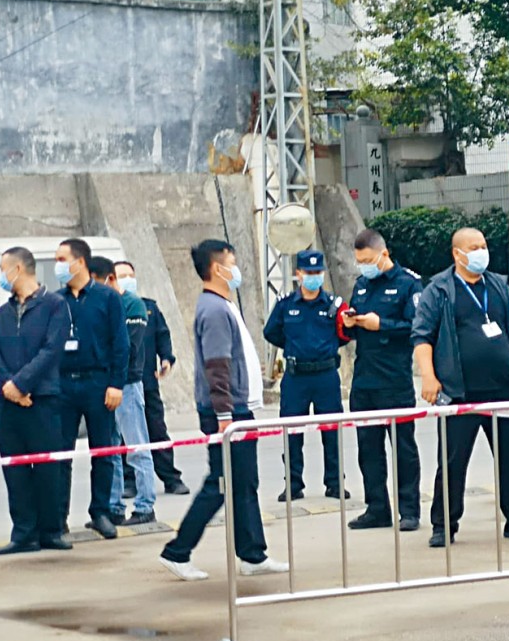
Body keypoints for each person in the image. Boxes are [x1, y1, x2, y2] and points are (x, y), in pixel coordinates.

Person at [159, 240, 287, 580]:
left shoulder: (222, 305)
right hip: (226, 412)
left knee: (243, 482)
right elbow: (217, 366)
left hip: (235, 407)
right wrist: (225, 415)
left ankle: (253, 554)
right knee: (222, 482)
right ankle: (178, 550)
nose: (236, 268)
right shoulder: (214, 310)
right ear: (218, 269)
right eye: (232, 261)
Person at [411, 227, 509, 548]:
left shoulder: (498, 284)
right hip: (461, 393)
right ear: (457, 254)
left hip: (507, 390)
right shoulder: (439, 289)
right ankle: (444, 525)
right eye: (474, 247)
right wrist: (429, 377)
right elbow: (421, 336)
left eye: (483, 245)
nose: (481, 252)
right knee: (453, 462)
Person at [0, 247, 72, 554]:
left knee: (48, 469)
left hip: (43, 400)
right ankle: (24, 533)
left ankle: (51, 530)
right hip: (8, 405)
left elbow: (51, 351)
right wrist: (8, 387)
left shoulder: (54, 306)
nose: (1, 275)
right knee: (15, 470)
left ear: (18, 268)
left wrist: (22, 384)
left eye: (2, 268)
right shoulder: (2, 314)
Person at [343, 229, 424, 532]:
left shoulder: (408, 284)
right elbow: (354, 329)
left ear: (383, 254)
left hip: (395, 380)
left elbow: (417, 326)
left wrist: (382, 325)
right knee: (368, 450)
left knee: (403, 448)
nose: (363, 266)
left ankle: (409, 511)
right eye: (359, 261)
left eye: (367, 260)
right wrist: (350, 323)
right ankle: (377, 508)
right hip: (364, 381)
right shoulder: (362, 285)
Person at [55, 238, 129, 540]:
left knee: (104, 451)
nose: (57, 265)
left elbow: (120, 344)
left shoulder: (106, 298)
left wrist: (116, 384)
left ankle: (100, 511)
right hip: (63, 384)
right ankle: (57, 517)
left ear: (80, 262)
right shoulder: (56, 300)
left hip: (98, 382)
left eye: (62, 258)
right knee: (60, 455)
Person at [264, 249, 352, 502]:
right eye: (308, 272)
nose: (313, 277)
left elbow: (344, 335)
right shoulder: (285, 305)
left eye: (317, 272)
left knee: (331, 431)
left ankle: (335, 483)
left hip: (325, 375)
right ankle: (293, 484)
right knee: (291, 432)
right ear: (298, 274)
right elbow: (272, 332)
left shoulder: (334, 305)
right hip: (296, 377)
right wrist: (296, 348)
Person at [89, 257, 158, 526]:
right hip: (106, 385)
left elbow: (126, 347)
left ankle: (145, 505)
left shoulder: (133, 305)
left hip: (127, 384)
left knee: (137, 446)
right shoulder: (103, 303)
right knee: (112, 449)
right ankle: (114, 507)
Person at [115, 261, 189, 496]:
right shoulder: (112, 309)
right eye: (122, 275)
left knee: (157, 430)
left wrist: (167, 358)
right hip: (123, 383)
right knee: (125, 436)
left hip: (147, 381)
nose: (127, 279)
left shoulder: (148, 308)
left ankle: (171, 478)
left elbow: (162, 336)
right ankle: (130, 481)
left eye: (130, 275)